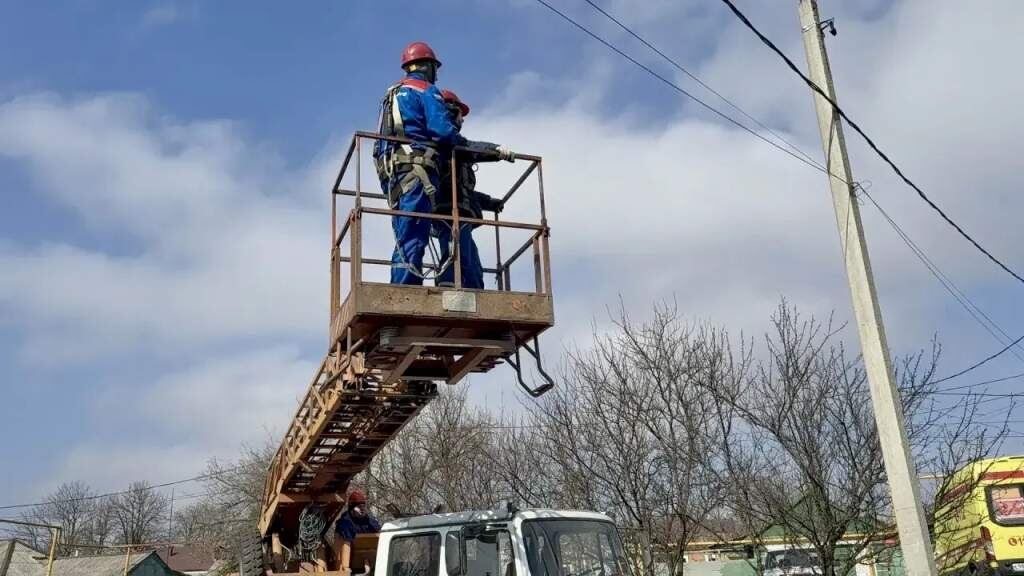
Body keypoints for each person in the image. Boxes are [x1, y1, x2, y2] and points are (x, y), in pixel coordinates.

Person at [374, 41, 513, 285]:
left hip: (394, 173)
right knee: (414, 236)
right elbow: (443, 133)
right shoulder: (426, 90)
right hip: (418, 170)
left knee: (407, 234)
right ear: (428, 67)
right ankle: (406, 290)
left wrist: (488, 202)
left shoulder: (391, 94)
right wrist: (486, 149)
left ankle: (404, 287)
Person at [433, 89, 507, 289]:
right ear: (449, 111)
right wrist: (496, 151)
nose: (462, 119)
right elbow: (470, 150)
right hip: (449, 210)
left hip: (460, 210)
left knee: (471, 262)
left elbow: (462, 189)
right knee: (456, 252)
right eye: (459, 113)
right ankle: (447, 284)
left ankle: (476, 290)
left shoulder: (454, 148)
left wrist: (488, 202)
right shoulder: (446, 144)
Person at [334, 490, 381, 574]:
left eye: (363, 506)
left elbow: (379, 531)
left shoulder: (368, 520)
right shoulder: (345, 522)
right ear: (352, 508)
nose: (362, 509)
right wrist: (346, 568)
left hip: (369, 561)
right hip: (349, 564)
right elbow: (346, 540)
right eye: (359, 506)